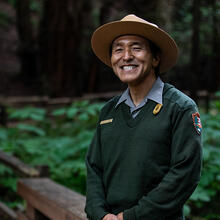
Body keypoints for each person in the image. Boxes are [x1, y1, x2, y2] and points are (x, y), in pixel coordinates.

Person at [85, 14, 202, 220]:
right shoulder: (108, 112)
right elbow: (94, 168)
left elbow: (184, 174)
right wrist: (100, 215)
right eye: (118, 49)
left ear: (156, 58)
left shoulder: (180, 108)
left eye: (136, 48)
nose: (126, 56)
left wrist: (131, 217)